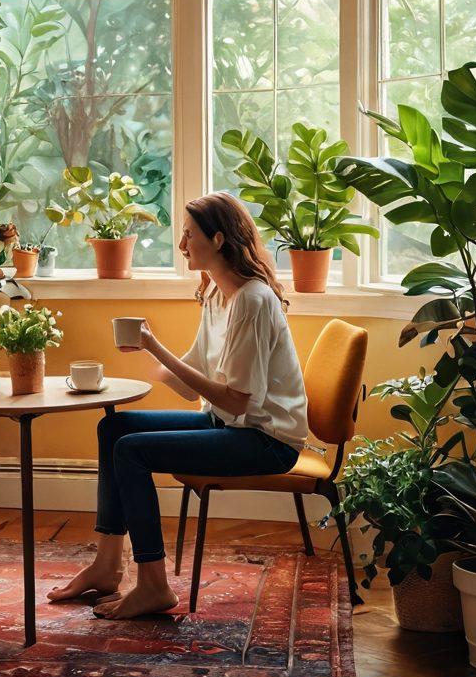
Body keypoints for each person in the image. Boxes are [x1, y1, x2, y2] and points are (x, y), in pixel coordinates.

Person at [48, 192, 308, 619]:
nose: (183, 244)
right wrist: (134, 365)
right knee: (114, 428)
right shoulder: (216, 293)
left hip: (267, 441)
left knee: (131, 450)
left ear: (219, 239)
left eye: (189, 235)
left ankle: (153, 584)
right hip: (227, 423)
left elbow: (239, 401)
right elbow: (194, 385)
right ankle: (106, 566)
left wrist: (156, 346)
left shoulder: (252, 300)